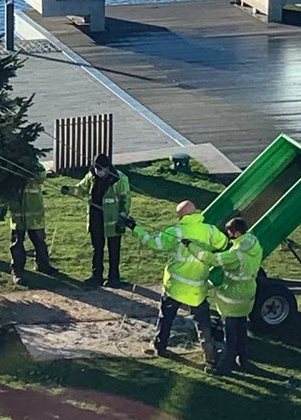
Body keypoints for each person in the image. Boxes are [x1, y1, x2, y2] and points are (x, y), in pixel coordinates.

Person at [120, 199, 227, 370]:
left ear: (181, 216)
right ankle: (210, 355)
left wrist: (134, 227)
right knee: (203, 323)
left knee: (166, 319)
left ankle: (160, 347)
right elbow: (223, 244)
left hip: (175, 286)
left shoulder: (176, 231)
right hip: (197, 287)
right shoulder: (210, 231)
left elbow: (154, 244)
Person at [199, 216, 263, 376]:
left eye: (230, 233)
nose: (228, 236)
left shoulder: (235, 254)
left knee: (230, 337)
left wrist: (192, 247)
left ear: (236, 232)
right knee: (241, 331)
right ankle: (243, 360)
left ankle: (224, 367)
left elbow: (212, 259)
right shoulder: (254, 243)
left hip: (232, 300)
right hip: (247, 296)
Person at [62, 153, 131, 287]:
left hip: (113, 221)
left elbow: (126, 200)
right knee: (97, 248)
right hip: (96, 218)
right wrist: (68, 190)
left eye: (102, 169)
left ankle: (114, 278)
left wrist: (122, 218)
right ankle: (96, 276)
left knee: (114, 250)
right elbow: (81, 189)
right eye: (96, 169)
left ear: (108, 167)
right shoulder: (91, 176)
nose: (99, 172)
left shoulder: (120, 179)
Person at [9, 165, 59, 285]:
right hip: (18, 214)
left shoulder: (34, 164)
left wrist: (31, 173)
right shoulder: (12, 165)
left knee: (39, 242)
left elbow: (42, 176)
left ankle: (43, 265)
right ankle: (17, 271)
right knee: (17, 244)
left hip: (34, 214)